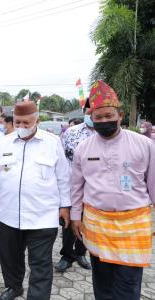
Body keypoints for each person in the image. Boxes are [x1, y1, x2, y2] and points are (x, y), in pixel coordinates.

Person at [0, 101, 71, 300]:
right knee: (10, 258)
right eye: (18, 123)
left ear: (37, 121)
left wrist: (65, 206)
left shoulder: (52, 142)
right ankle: (14, 287)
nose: (22, 127)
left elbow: (63, 178)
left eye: (27, 123)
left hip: (42, 217)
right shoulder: (4, 142)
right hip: (8, 215)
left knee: (40, 264)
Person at [71, 80, 155, 300]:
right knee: (103, 281)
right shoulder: (84, 148)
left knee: (127, 284)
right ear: (92, 118)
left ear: (120, 115)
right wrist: (74, 217)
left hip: (133, 225)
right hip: (97, 223)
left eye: (109, 116)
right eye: (98, 118)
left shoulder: (144, 145)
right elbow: (76, 186)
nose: (104, 121)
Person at [55, 101, 95, 272]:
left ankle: (81, 253)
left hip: (95, 189)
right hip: (74, 186)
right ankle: (66, 255)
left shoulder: (106, 133)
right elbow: (62, 160)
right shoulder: (71, 133)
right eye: (89, 110)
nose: (92, 114)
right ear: (84, 111)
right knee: (69, 221)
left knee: (87, 222)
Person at [0, 114, 15, 214]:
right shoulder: (0, 136)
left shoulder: (14, 139)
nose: (0, 125)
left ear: (9, 123)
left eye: (2, 123)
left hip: (9, 175)